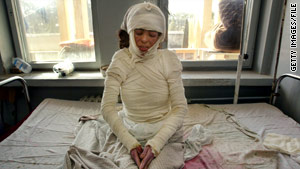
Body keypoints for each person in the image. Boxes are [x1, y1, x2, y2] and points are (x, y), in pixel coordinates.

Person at [64, 2, 188, 169]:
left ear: (160, 37)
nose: (144, 40)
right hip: (128, 131)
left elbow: (180, 108)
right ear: (129, 32)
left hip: (164, 131)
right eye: (139, 32)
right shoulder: (121, 60)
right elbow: (107, 107)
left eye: (152, 35)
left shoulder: (169, 60)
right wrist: (130, 144)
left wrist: (156, 144)